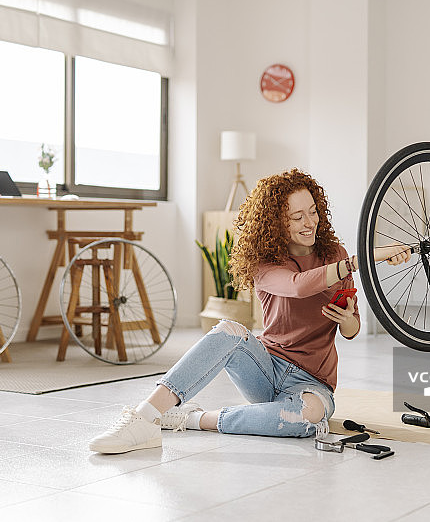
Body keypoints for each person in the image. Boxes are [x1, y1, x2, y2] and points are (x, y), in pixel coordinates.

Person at [89, 168, 410, 454]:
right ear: (276, 222)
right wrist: (366, 258)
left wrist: (350, 319)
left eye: (313, 212)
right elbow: (298, 285)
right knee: (228, 329)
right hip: (265, 369)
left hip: (312, 382)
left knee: (309, 418)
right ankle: (145, 417)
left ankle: (192, 418)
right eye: (297, 217)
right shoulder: (265, 263)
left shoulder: (333, 254)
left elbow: (350, 332)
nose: (310, 222)